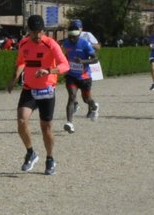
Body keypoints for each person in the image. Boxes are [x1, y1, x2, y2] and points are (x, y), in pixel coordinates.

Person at [12, 13, 69, 175]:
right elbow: (21, 62)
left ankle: (50, 158)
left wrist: (49, 71)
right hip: (29, 89)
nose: (37, 35)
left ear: (43, 31)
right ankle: (31, 153)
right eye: (33, 32)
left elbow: (65, 65)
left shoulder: (51, 44)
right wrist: (14, 78)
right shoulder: (23, 44)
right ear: (28, 31)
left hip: (46, 90)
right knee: (22, 120)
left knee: (46, 128)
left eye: (40, 32)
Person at [60, 18, 99, 133]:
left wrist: (82, 62)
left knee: (86, 99)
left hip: (85, 77)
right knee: (71, 97)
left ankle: (94, 105)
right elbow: (63, 55)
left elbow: (95, 59)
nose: (72, 39)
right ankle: (69, 123)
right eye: (70, 37)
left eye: (74, 37)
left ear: (78, 35)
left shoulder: (85, 43)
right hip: (72, 76)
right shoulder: (66, 43)